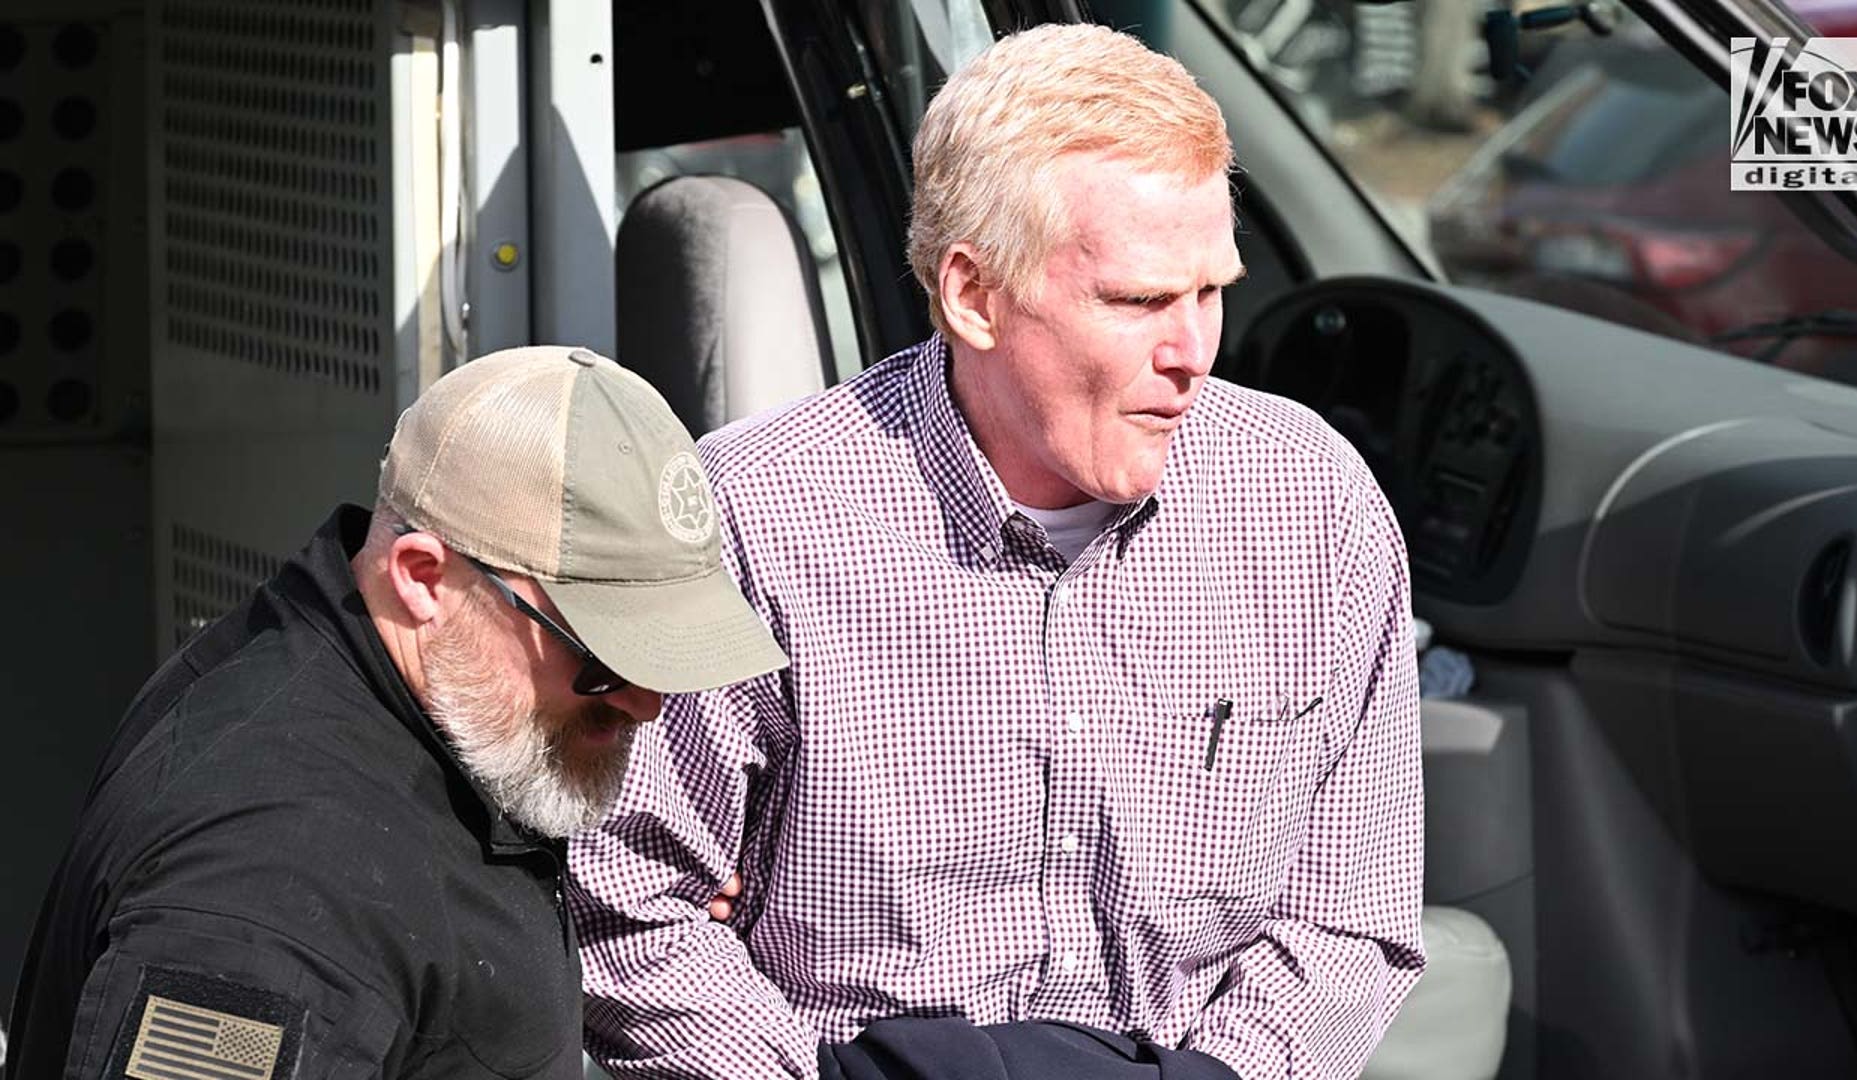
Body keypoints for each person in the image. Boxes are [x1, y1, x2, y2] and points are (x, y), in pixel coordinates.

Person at [570, 23, 1425, 1080]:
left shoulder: (1310, 507)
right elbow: (626, 907)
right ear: (974, 297)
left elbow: (1351, 915)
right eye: (1140, 300)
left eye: (1212, 291)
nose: (1193, 353)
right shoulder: (756, 522)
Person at [5, 346, 789, 1079]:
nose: (646, 704)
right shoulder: (268, 890)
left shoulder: (418, 703)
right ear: (421, 577)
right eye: (604, 659)